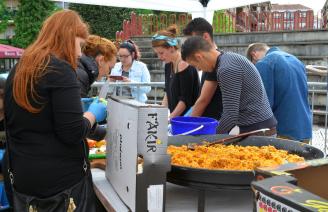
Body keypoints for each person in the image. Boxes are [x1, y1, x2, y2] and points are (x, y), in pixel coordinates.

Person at [3, 10, 107, 211]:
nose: (79, 54)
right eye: (80, 45)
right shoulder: (60, 69)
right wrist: (93, 114)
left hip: (23, 176)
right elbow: (73, 132)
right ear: (67, 38)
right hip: (59, 185)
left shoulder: (20, 68)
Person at [181, 36, 277, 135]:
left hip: (258, 130)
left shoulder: (226, 69)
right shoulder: (228, 59)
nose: (199, 69)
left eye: (196, 65)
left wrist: (210, 140)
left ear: (199, 57)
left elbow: (230, 116)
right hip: (259, 126)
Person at [246, 43, 312, 142]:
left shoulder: (264, 63)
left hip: (284, 131)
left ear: (253, 54)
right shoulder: (295, 60)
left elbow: (263, 105)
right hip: (305, 128)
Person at [152, 25, 200, 119]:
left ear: (172, 48)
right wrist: (161, 114)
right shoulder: (168, 65)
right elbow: (167, 93)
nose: (159, 57)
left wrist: (169, 119)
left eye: (161, 53)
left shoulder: (183, 64)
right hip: (177, 117)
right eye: (157, 53)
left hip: (187, 119)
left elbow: (185, 101)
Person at [77, 35, 117, 141]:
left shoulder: (82, 70)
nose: (109, 73)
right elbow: (76, 125)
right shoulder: (81, 74)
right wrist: (93, 114)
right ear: (101, 60)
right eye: (110, 68)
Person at [183, 17, 222, 121]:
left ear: (205, 37)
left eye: (193, 41)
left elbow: (203, 100)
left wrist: (188, 126)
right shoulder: (212, 61)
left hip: (213, 124)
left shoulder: (216, 62)